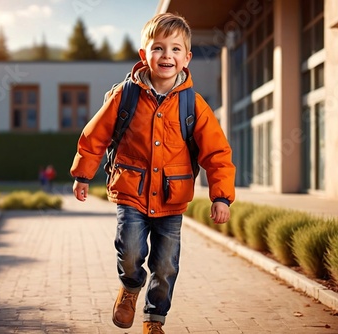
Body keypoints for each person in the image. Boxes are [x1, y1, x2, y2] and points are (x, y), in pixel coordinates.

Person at [70, 13, 236, 334]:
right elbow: (96, 136)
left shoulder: (193, 105)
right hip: (131, 192)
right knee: (130, 251)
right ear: (144, 54)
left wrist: (221, 196)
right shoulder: (125, 95)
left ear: (186, 58)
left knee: (165, 265)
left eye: (175, 49)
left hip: (172, 200)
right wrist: (82, 175)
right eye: (158, 48)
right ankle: (130, 287)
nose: (167, 56)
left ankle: (154, 319)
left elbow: (217, 153)